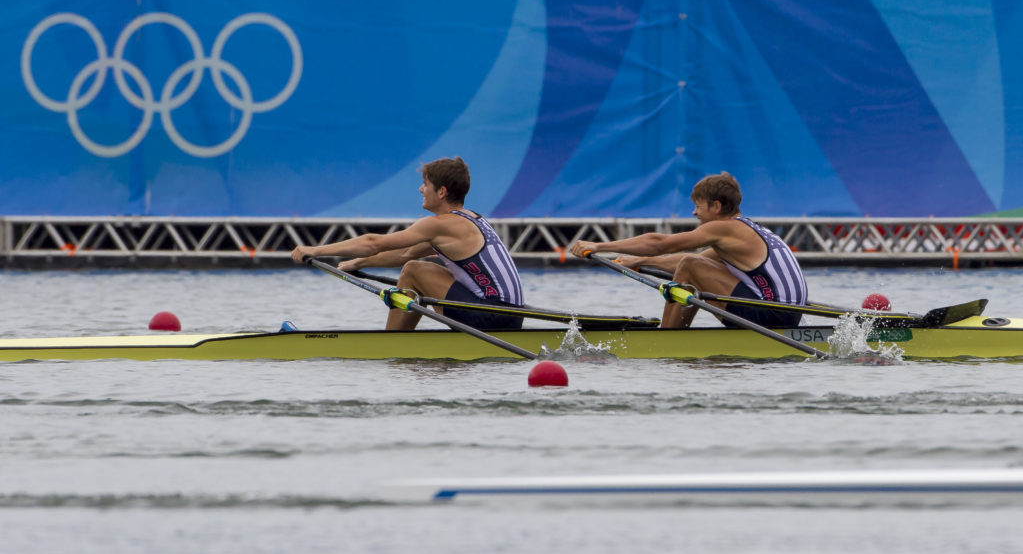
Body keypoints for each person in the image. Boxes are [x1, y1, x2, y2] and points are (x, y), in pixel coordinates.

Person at [291, 157, 525, 331]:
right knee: (413, 265)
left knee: (415, 270)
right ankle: (399, 338)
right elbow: (404, 254)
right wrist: (359, 263)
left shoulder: (440, 225)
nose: (420, 189)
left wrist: (315, 250)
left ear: (441, 191)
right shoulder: (470, 219)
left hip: (493, 315)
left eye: (425, 184)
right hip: (509, 315)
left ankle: (393, 342)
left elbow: (374, 243)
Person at [568, 171, 806, 329]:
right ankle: (674, 333)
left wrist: (599, 246)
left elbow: (661, 243)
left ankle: (669, 338)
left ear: (716, 206)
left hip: (772, 316)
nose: (694, 213)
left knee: (691, 266)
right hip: (786, 314)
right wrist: (639, 261)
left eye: (697, 206)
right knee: (692, 265)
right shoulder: (744, 232)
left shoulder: (724, 229)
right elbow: (692, 262)